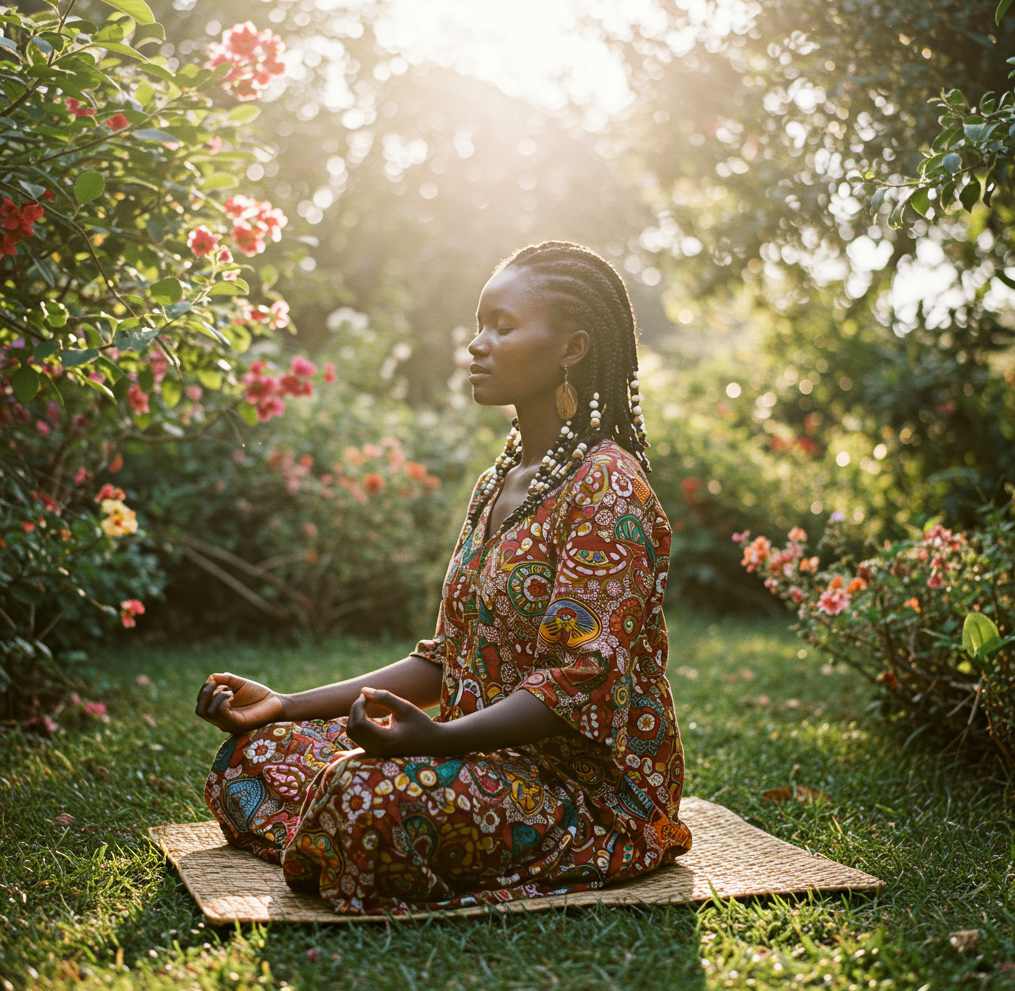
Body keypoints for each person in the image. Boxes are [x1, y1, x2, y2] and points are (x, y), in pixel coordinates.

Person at [196, 241, 692, 916]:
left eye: (503, 326)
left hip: (579, 792)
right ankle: (351, 834)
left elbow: (580, 681)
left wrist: (436, 742)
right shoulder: (498, 483)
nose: (477, 345)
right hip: (468, 758)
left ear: (573, 347)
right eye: (478, 326)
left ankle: (349, 829)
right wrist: (284, 705)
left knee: (360, 793)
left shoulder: (607, 486)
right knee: (254, 754)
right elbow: (444, 659)